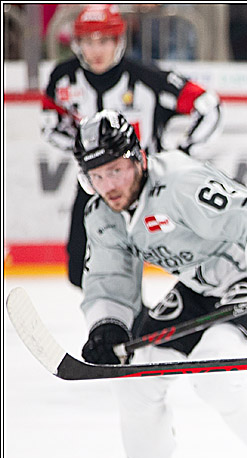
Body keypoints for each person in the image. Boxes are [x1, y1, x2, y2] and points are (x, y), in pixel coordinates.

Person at [72, 110, 247, 458]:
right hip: (205, 282)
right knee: (135, 372)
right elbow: (109, 277)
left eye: (115, 170)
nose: (108, 185)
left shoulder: (180, 183)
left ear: (137, 158)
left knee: (216, 371)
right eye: (97, 175)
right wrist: (107, 327)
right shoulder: (103, 214)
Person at [41, 4, 222, 289]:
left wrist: (182, 154)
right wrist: (82, 151)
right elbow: (50, 124)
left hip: (149, 188)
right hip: (96, 186)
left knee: (189, 264)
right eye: (88, 41)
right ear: (77, 44)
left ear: (119, 41)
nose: (96, 50)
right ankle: (118, 321)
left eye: (104, 40)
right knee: (79, 269)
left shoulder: (147, 78)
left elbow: (208, 106)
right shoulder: (63, 78)